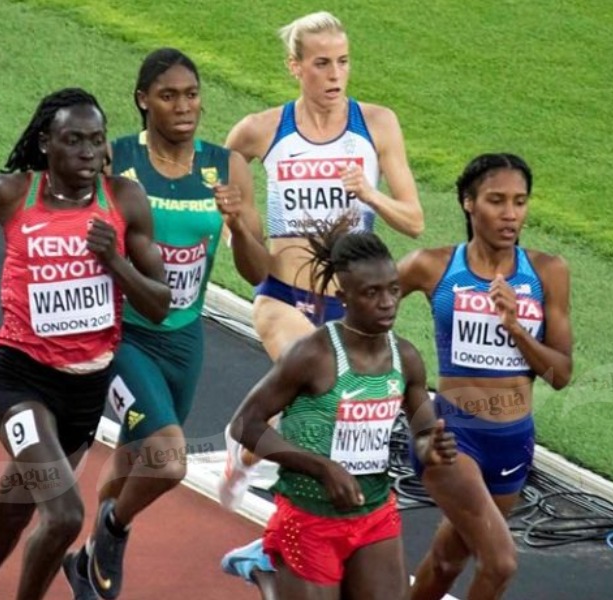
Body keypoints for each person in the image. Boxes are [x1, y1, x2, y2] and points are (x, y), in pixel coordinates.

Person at [0, 88, 170, 600]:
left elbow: (159, 304)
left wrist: (116, 263)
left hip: (86, 389)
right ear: (46, 143)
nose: (86, 152)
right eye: (72, 140)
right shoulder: (13, 193)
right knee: (64, 516)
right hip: (21, 379)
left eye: (96, 140)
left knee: (13, 511)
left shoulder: (124, 200)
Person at [218, 10, 424, 592]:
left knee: (332, 412)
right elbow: (244, 241)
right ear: (295, 67)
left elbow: (412, 220)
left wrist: (369, 196)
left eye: (344, 61)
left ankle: (267, 529)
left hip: (348, 308)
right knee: (314, 379)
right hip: (283, 295)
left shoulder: (377, 125)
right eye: (322, 63)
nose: (336, 74)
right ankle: (254, 466)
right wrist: (237, 226)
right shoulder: (258, 131)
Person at [59, 48, 270, 600]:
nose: (184, 106)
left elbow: (257, 270)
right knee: (169, 458)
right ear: (143, 101)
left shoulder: (227, 168)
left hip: (185, 339)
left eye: (192, 94)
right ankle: (111, 533)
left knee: (136, 456)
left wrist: (239, 225)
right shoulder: (116, 158)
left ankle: (86, 564)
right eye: (169, 95)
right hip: (122, 331)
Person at [228, 226, 456, 600]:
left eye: (394, 290)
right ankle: (268, 572)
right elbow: (245, 424)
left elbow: (423, 430)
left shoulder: (407, 358)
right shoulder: (313, 355)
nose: (387, 303)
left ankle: (271, 575)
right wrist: (322, 468)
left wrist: (431, 447)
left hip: (373, 512)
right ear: (343, 297)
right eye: (372, 293)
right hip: (308, 516)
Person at [398, 153, 573, 600]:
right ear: (468, 203)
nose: (511, 213)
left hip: (513, 441)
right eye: (497, 200)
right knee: (499, 564)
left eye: (520, 201)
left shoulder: (547, 273)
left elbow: (560, 373)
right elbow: (363, 312)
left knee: (445, 563)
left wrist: (516, 328)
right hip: (454, 437)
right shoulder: (432, 266)